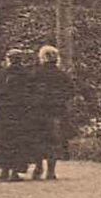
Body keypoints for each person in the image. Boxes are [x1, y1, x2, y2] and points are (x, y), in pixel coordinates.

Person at [0, 48, 37, 181]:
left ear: (9, 60)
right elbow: (31, 95)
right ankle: (15, 172)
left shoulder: (3, 75)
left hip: (4, 115)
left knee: (3, 141)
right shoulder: (26, 75)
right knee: (19, 142)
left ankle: (4, 170)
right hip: (21, 115)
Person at [29, 45, 75, 180]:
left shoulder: (36, 73)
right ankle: (51, 171)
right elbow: (70, 91)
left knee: (38, 140)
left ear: (42, 58)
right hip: (57, 111)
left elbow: (28, 91)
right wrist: (60, 99)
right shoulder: (61, 75)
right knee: (54, 140)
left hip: (39, 112)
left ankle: (38, 167)